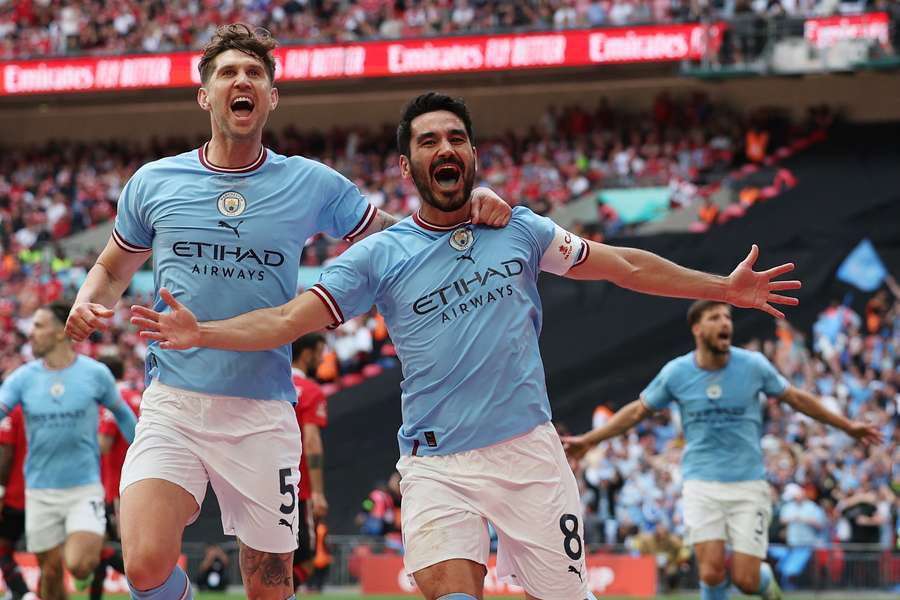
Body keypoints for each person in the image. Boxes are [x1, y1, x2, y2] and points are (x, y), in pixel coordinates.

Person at [130, 91, 805, 600]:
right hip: (436, 466)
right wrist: (203, 332)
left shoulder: (519, 229)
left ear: (474, 155)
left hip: (532, 458)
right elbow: (285, 321)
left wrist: (723, 286)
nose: (444, 149)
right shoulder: (378, 258)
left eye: (456, 138)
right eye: (428, 141)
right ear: (407, 164)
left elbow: (622, 266)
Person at [62, 24, 510, 600]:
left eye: (255, 73)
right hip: (174, 402)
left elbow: (402, 242)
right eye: (228, 73)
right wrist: (86, 300)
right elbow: (111, 269)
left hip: (263, 411)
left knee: (270, 585)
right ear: (205, 94)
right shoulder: (154, 182)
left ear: (272, 96)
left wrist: (466, 211)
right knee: (144, 563)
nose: (241, 81)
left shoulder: (310, 182)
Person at [563, 300, 882, 600]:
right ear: (697, 329)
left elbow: (796, 398)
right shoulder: (677, 373)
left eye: (727, 317)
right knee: (711, 571)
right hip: (701, 484)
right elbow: (636, 412)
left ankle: (766, 583)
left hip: (748, 485)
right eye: (715, 317)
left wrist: (847, 426)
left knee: (746, 580)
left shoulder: (753, 366)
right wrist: (590, 440)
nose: (725, 323)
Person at [0, 302, 138, 600]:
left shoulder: (94, 374)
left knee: (79, 564)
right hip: (38, 491)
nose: (31, 334)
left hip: (83, 489)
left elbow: (123, 414)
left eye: (38, 326)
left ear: (61, 333)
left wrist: (144, 454)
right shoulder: (23, 378)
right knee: (49, 572)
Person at [90, 355, 142, 600]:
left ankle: (153, 587)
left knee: (115, 548)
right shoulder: (139, 396)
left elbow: (104, 444)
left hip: (115, 486)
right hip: (140, 479)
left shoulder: (114, 402)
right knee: (102, 544)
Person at [289, 334, 328, 590]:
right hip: (297, 490)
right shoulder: (311, 391)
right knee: (306, 559)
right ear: (306, 354)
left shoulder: (271, 386)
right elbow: (311, 442)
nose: (322, 358)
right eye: (319, 352)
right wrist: (318, 493)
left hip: (261, 483)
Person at [0, 406, 36, 600]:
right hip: (38, 492)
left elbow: (6, 455)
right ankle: (15, 592)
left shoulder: (10, 412)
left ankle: (24, 594)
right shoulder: (32, 408)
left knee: (2, 548)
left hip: (14, 495)